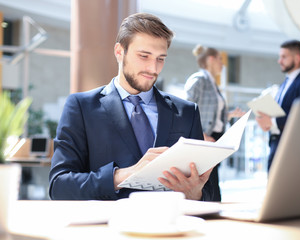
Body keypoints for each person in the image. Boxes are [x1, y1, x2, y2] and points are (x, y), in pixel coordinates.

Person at [49, 13, 217, 201]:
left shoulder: (187, 113)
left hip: (170, 227)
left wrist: (196, 195)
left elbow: (211, 193)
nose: (153, 68)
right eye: (144, 56)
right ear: (120, 52)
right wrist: (123, 175)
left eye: (160, 58)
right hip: (109, 228)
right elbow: (59, 186)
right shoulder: (81, 107)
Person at [184, 44, 245, 201]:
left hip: (215, 138)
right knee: (208, 182)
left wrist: (229, 115)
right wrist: (201, 134)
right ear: (210, 59)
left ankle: (213, 211)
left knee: (212, 181)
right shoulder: (199, 80)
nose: (223, 64)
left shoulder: (212, 84)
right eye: (219, 59)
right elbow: (184, 109)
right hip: (205, 139)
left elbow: (210, 112)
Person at [256, 40, 300, 172]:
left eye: (284, 57)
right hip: (275, 143)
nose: (279, 60)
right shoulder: (284, 84)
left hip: (291, 147)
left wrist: (272, 121)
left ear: (297, 58)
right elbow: (281, 113)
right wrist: (267, 121)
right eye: (279, 56)